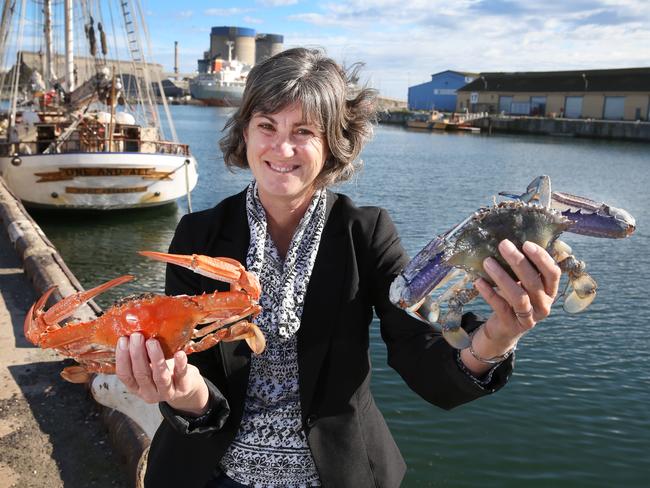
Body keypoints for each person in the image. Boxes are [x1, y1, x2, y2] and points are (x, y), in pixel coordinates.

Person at [115, 47, 561, 488]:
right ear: (245, 134)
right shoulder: (198, 236)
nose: (282, 147)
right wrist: (181, 392)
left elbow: (419, 349)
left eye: (304, 131)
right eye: (266, 125)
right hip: (207, 473)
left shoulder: (365, 233)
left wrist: (498, 336)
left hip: (335, 474)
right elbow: (194, 379)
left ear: (331, 145)